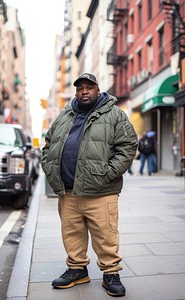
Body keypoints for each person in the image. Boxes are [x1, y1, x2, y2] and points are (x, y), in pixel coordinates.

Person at [41, 73, 137, 297]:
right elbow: (48, 144)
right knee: (71, 233)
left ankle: (111, 273)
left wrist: (107, 174)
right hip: (68, 190)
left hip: (101, 191)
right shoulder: (66, 114)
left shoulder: (114, 114)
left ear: (97, 89)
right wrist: (49, 168)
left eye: (89, 87)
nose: (84, 91)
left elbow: (128, 146)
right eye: (80, 88)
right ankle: (77, 269)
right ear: (76, 92)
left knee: (106, 235)